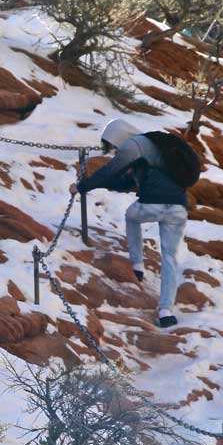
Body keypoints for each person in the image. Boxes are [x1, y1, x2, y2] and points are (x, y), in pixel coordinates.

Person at [69, 119, 189, 328]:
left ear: (117, 136)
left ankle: (137, 264)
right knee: (169, 257)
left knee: (131, 216)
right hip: (178, 208)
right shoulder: (152, 155)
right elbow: (123, 183)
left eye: (113, 145)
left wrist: (82, 187)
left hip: (154, 204)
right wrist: (99, 185)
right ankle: (166, 311)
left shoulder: (132, 146)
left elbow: (110, 171)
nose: (114, 150)